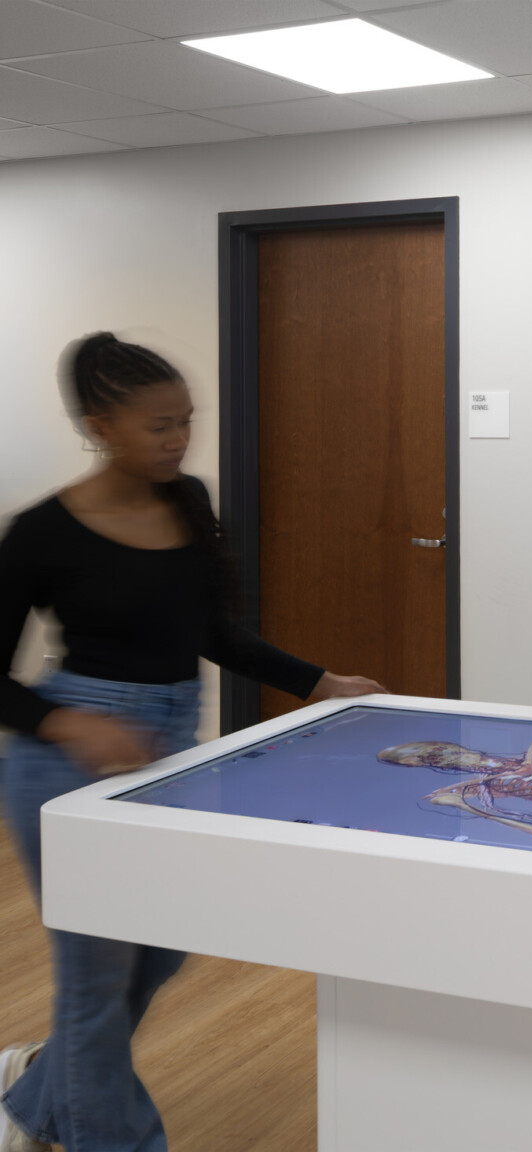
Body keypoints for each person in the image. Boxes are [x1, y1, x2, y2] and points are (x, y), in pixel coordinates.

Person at [0, 333, 385, 1152]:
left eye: (187, 421)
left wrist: (321, 681)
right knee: (95, 979)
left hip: (171, 742)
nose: (180, 439)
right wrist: (71, 722)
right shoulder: (41, 532)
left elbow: (213, 630)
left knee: (161, 954)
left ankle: (36, 1097)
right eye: (160, 426)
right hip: (64, 761)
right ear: (100, 425)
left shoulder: (188, 501)